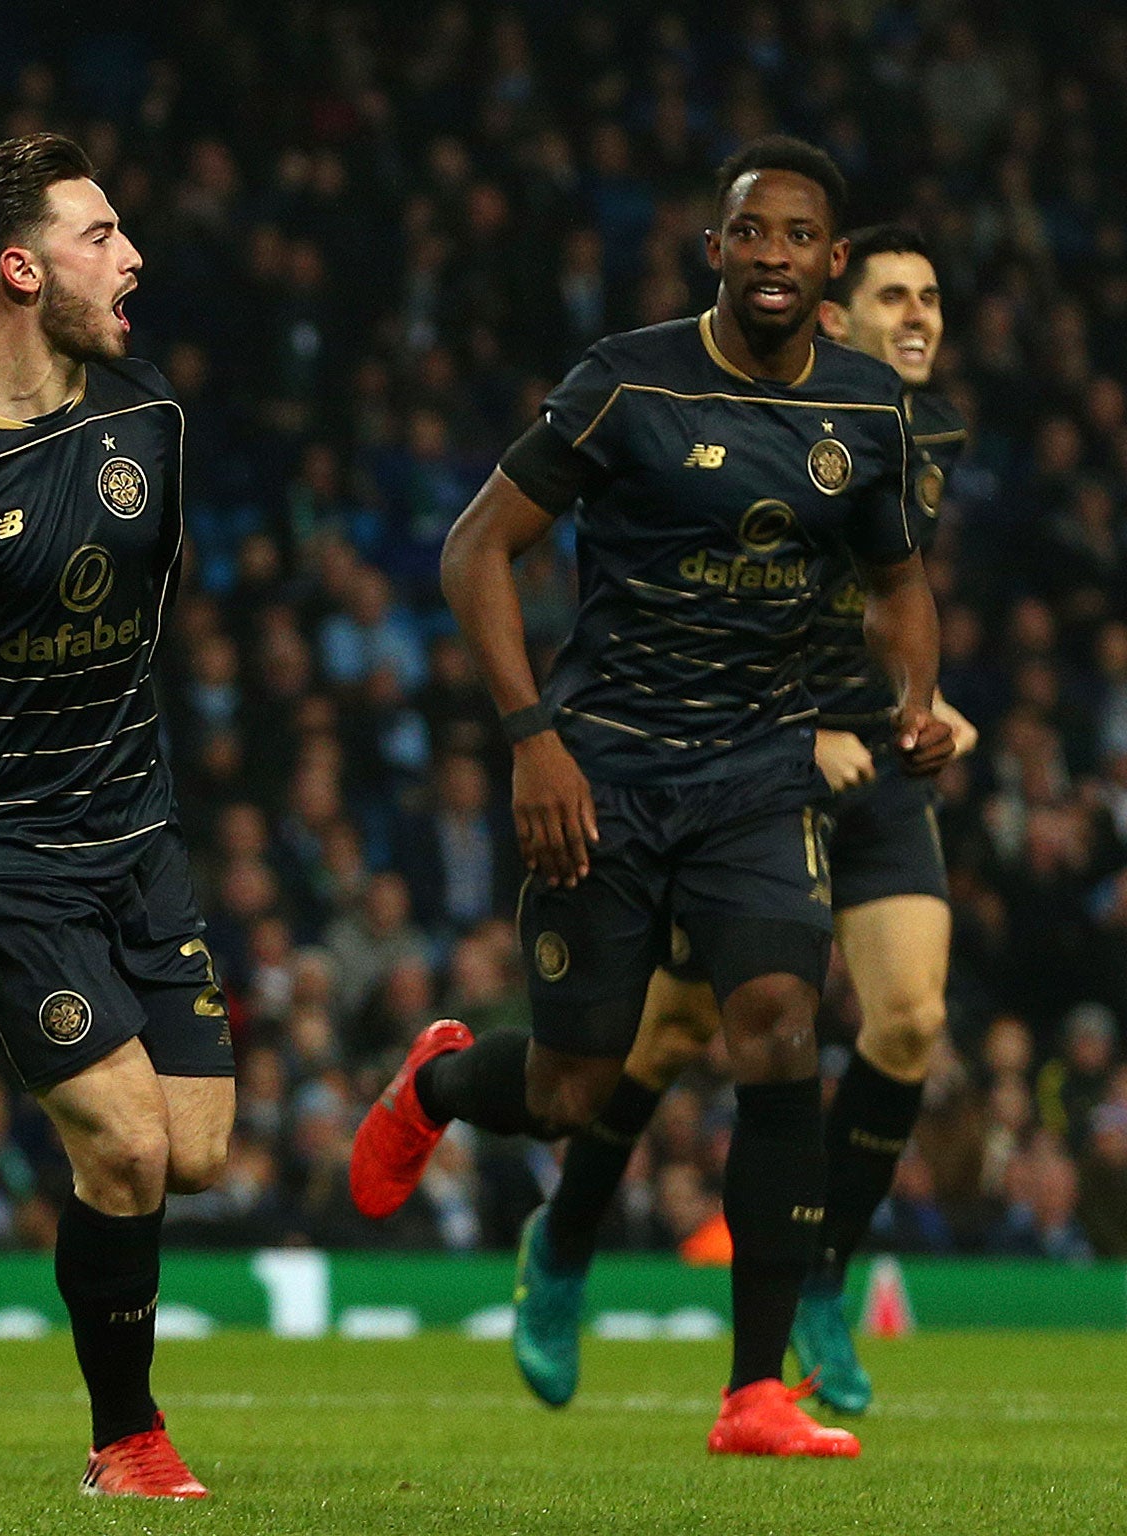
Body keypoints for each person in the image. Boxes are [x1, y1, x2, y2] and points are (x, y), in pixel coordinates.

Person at [347, 138, 953, 1457]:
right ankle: (442, 1086)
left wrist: (914, 696)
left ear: (828, 261)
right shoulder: (624, 381)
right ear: (716, 250)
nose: (774, 257)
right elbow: (474, 552)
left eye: (798, 236)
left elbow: (900, 580)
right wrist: (531, 740)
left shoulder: (864, 411)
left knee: (784, 1028)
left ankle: (753, 1393)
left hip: (759, 772)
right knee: (576, 1088)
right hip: (606, 766)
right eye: (752, 234)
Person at [507, 225, 974, 1418]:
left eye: (929, 298)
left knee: (909, 1017)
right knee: (658, 1046)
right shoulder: (749, 407)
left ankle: (816, 1274)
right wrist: (791, 727)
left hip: (864, 769)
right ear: (830, 312)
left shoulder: (913, 437)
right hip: (740, 766)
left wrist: (923, 704)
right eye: (890, 297)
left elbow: (882, 599)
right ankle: (561, 1243)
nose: (917, 318)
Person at [0, 133, 233, 1499]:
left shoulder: (153, 419)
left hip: (131, 829)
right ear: (21, 270)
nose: (131, 257)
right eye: (100, 235)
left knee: (199, 1153)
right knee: (123, 1149)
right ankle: (124, 1442)